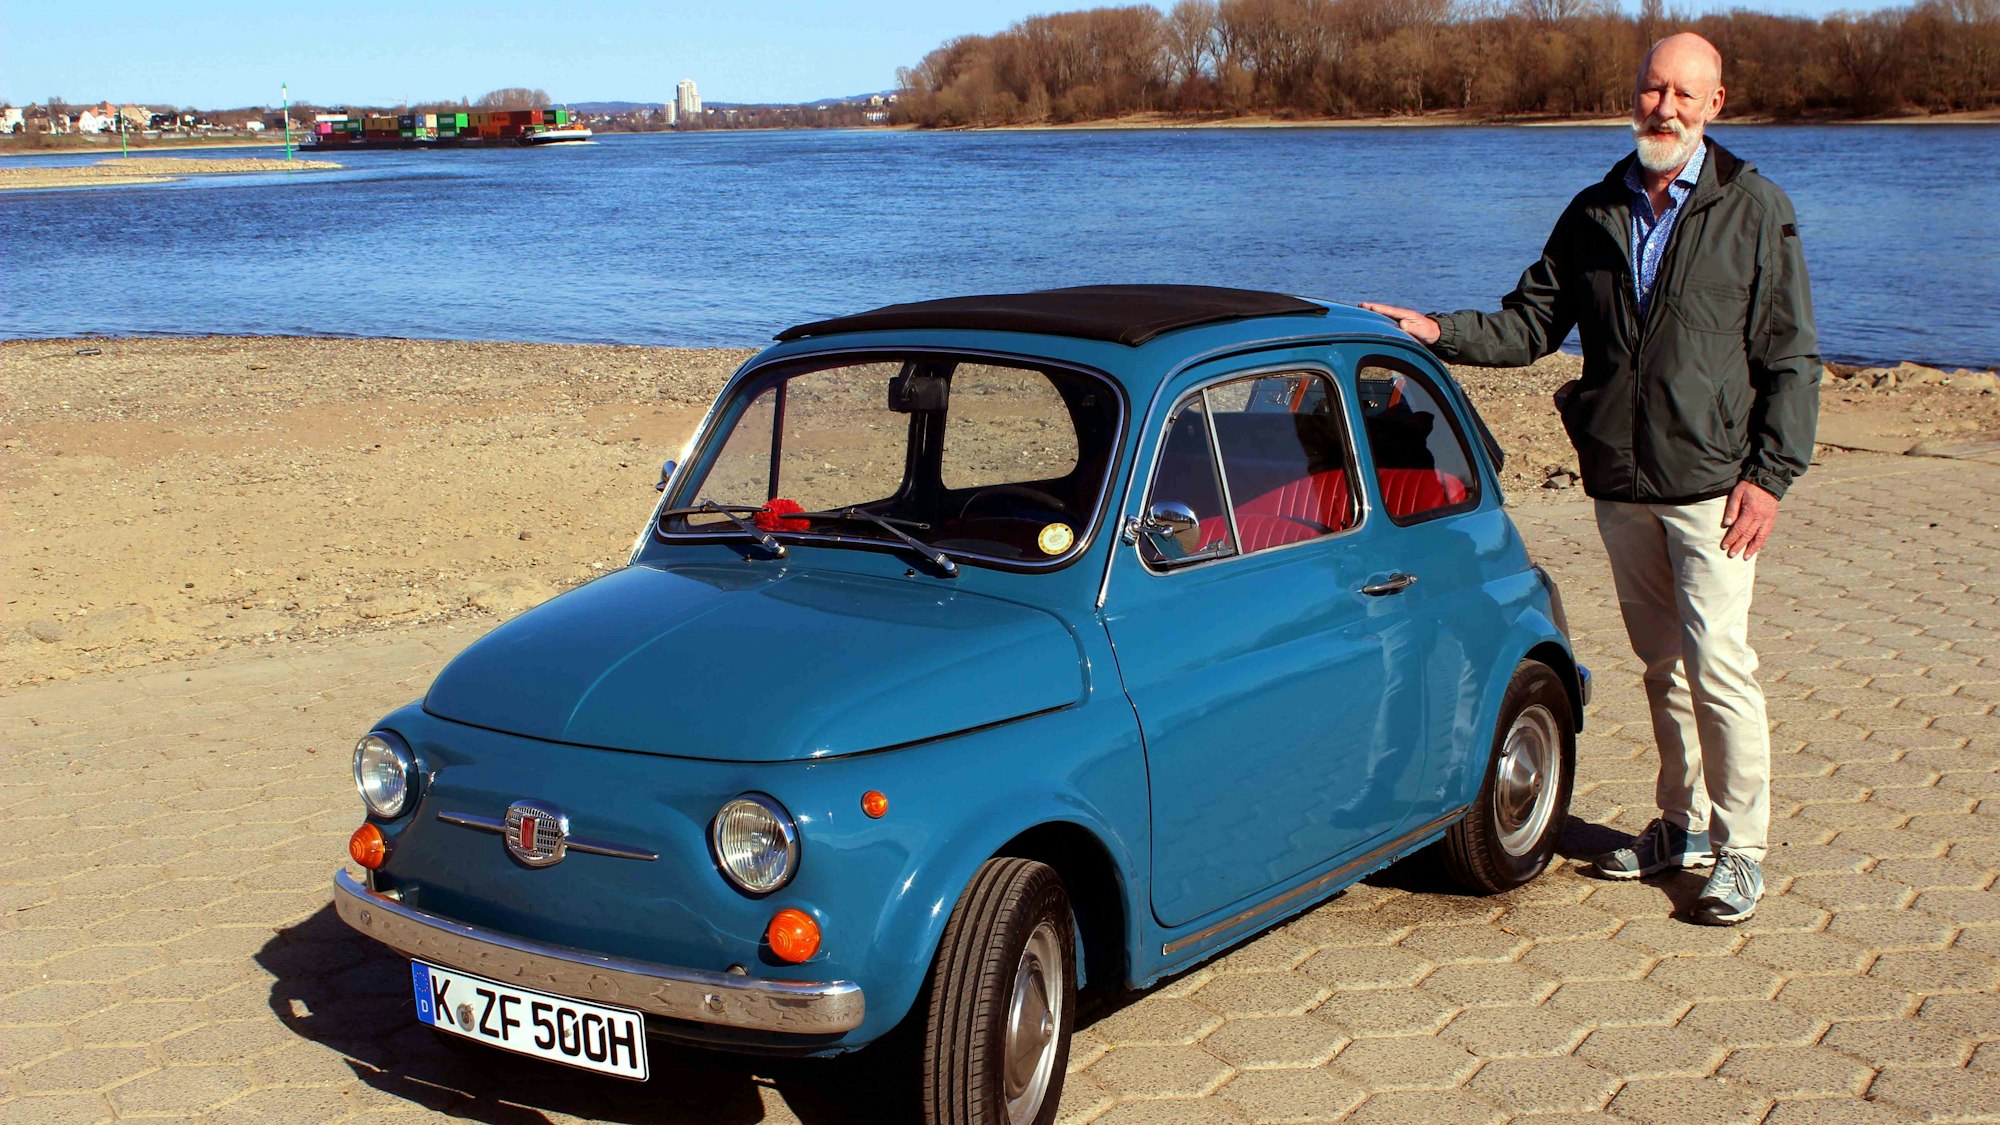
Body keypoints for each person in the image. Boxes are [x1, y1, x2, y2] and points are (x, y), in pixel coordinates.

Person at [1361, 32, 1820, 926]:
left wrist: (1770, 476)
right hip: (1621, 481)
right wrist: (1432, 331)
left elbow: (1792, 358)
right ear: (1634, 96)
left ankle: (1743, 851)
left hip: (1715, 487)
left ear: (1716, 103)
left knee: (1721, 665)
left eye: (1687, 94)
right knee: (1662, 667)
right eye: (1655, 90)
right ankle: (1679, 828)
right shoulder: (1595, 210)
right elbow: (1529, 323)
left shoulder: (1757, 210)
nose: (1668, 108)